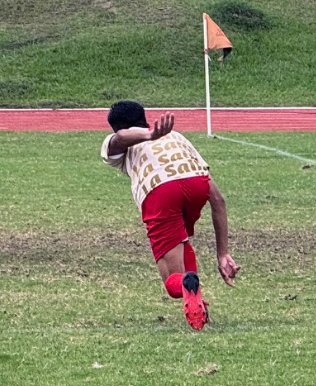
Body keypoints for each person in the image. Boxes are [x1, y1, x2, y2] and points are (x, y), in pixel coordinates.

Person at [101, 101, 238, 331]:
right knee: (182, 244)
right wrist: (222, 253)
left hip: (161, 191)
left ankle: (185, 287)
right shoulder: (176, 137)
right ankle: (199, 306)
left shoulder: (119, 144)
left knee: (172, 280)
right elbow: (218, 200)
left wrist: (149, 135)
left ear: (116, 127)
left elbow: (120, 138)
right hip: (197, 184)